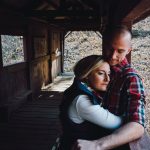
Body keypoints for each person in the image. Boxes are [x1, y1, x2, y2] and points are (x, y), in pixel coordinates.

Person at [74, 26, 146, 150]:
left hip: (110, 144)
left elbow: (138, 125)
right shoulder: (97, 65)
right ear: (103, 44)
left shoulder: (131, 78)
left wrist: (97, 145)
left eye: (120, 51)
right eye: (110, 48)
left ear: (129, 50)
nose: (113, 56)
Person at [59, 55, 124, 150]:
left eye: (109, 74)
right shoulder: (82, 101)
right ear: (87, 75)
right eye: (101, 73)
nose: (107, 79)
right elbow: (116, 123)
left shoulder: (79, 89)